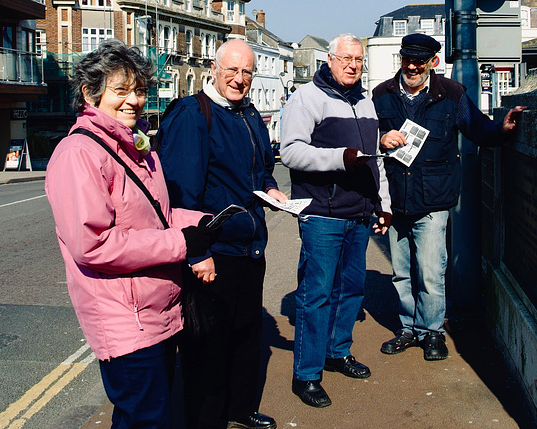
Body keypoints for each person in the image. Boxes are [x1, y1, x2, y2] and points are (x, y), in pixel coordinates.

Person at [45, 39, 216, 428]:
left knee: (154, 417)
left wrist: (202, 222)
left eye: (139, 90)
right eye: (120, 90)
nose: (133, 100)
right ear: (90, 93)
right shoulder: (79, 154)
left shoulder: (139, 147)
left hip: (159, 313)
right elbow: (93, 244)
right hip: (126, 322)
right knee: (145, 420)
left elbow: (161, 215)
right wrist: (181, 242)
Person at [372, 33, 526, 361]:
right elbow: (366, 140)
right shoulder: (380, 95)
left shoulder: (452, 94)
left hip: (433, 199)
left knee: (429, 269)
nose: (412, 66)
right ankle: (408, 327)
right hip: (396, 199)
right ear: (400, 59)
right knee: (402, 271)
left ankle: (432, 332)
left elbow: (477, 128)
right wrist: (381, 139)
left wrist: (502, 130)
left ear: (433, 62)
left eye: (419, 61)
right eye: (407, 59)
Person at [157, 39, 285, 429]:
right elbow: (180, 193)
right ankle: (205, 420)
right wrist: (196, 253)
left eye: (247, 71)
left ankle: (239, 407)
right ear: (214, 68)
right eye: (232, 70)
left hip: (250, 246)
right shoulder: (192, 114)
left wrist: (272, 189)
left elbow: (262, 170)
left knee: (246, 333)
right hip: (214, 251)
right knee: (207, 346)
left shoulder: (249, 115)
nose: (240, 79)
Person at [280, 33, 392, 408]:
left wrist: (383, 204)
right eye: (346, 58)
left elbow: (375, 161)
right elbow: (291, 151)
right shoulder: (306, 98)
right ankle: (306, 374)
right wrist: (339, 157)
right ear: (329, 59)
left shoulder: (366, 101)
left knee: (352, 289)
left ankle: (337, 352)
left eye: (358, 60)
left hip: (359, 214)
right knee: (316, 296)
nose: (352, 65)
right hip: (321, 215)